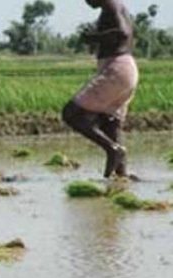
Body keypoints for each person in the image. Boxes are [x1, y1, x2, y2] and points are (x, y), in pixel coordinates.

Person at [62, 0, 138, 178]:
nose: (87, 2)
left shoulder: (111, 6)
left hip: (117, 68)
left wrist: (93, 38)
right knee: (110, 123)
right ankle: (121, 176)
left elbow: (122, 33)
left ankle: (112, 149)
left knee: (71, 113)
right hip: (124, 69)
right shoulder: (114, 6)